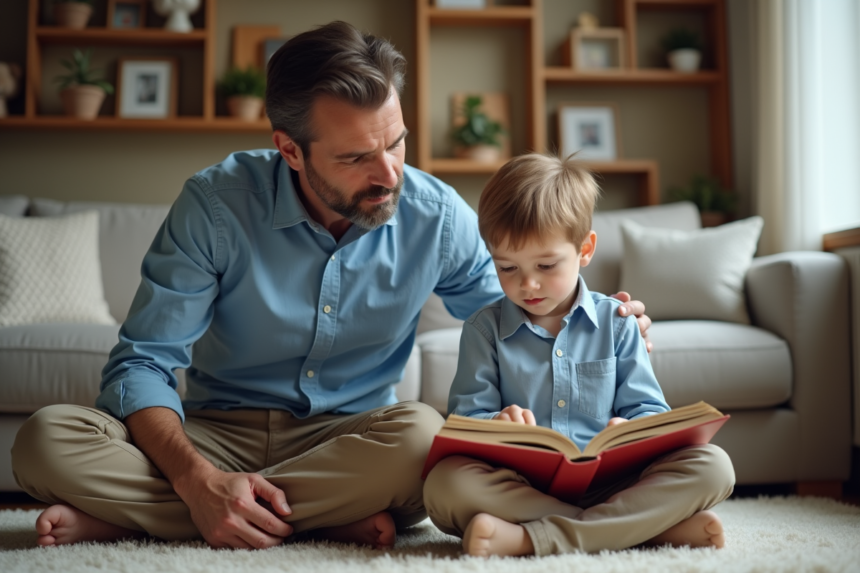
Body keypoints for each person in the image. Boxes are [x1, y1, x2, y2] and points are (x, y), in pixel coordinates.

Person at [11, 22, 651, 550]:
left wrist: (597, 318)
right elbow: (144, 363)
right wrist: (197, 477)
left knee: (424, 437)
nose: (389, 174)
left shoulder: (438, 214)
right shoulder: (214, 206)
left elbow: (518, 309)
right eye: (355, 158)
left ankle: (164, 517)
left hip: (353, 439)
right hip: (216, 427)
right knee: (46, 440)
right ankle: (295, 517)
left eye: (396, 144)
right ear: (290, 150)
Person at [423, 153, 735, 557]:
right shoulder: (483, 331)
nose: (528, 283)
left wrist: (630, 430)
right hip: (522, 486)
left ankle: (531, 539)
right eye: (507, 268)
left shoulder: (618, 323)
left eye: (546, 264)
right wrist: (498, 423)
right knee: (445, 484)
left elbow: (649, 410)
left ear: (585, 249)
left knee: (714, 466)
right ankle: (640, 528)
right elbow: (467, 422)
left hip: (614, 480)